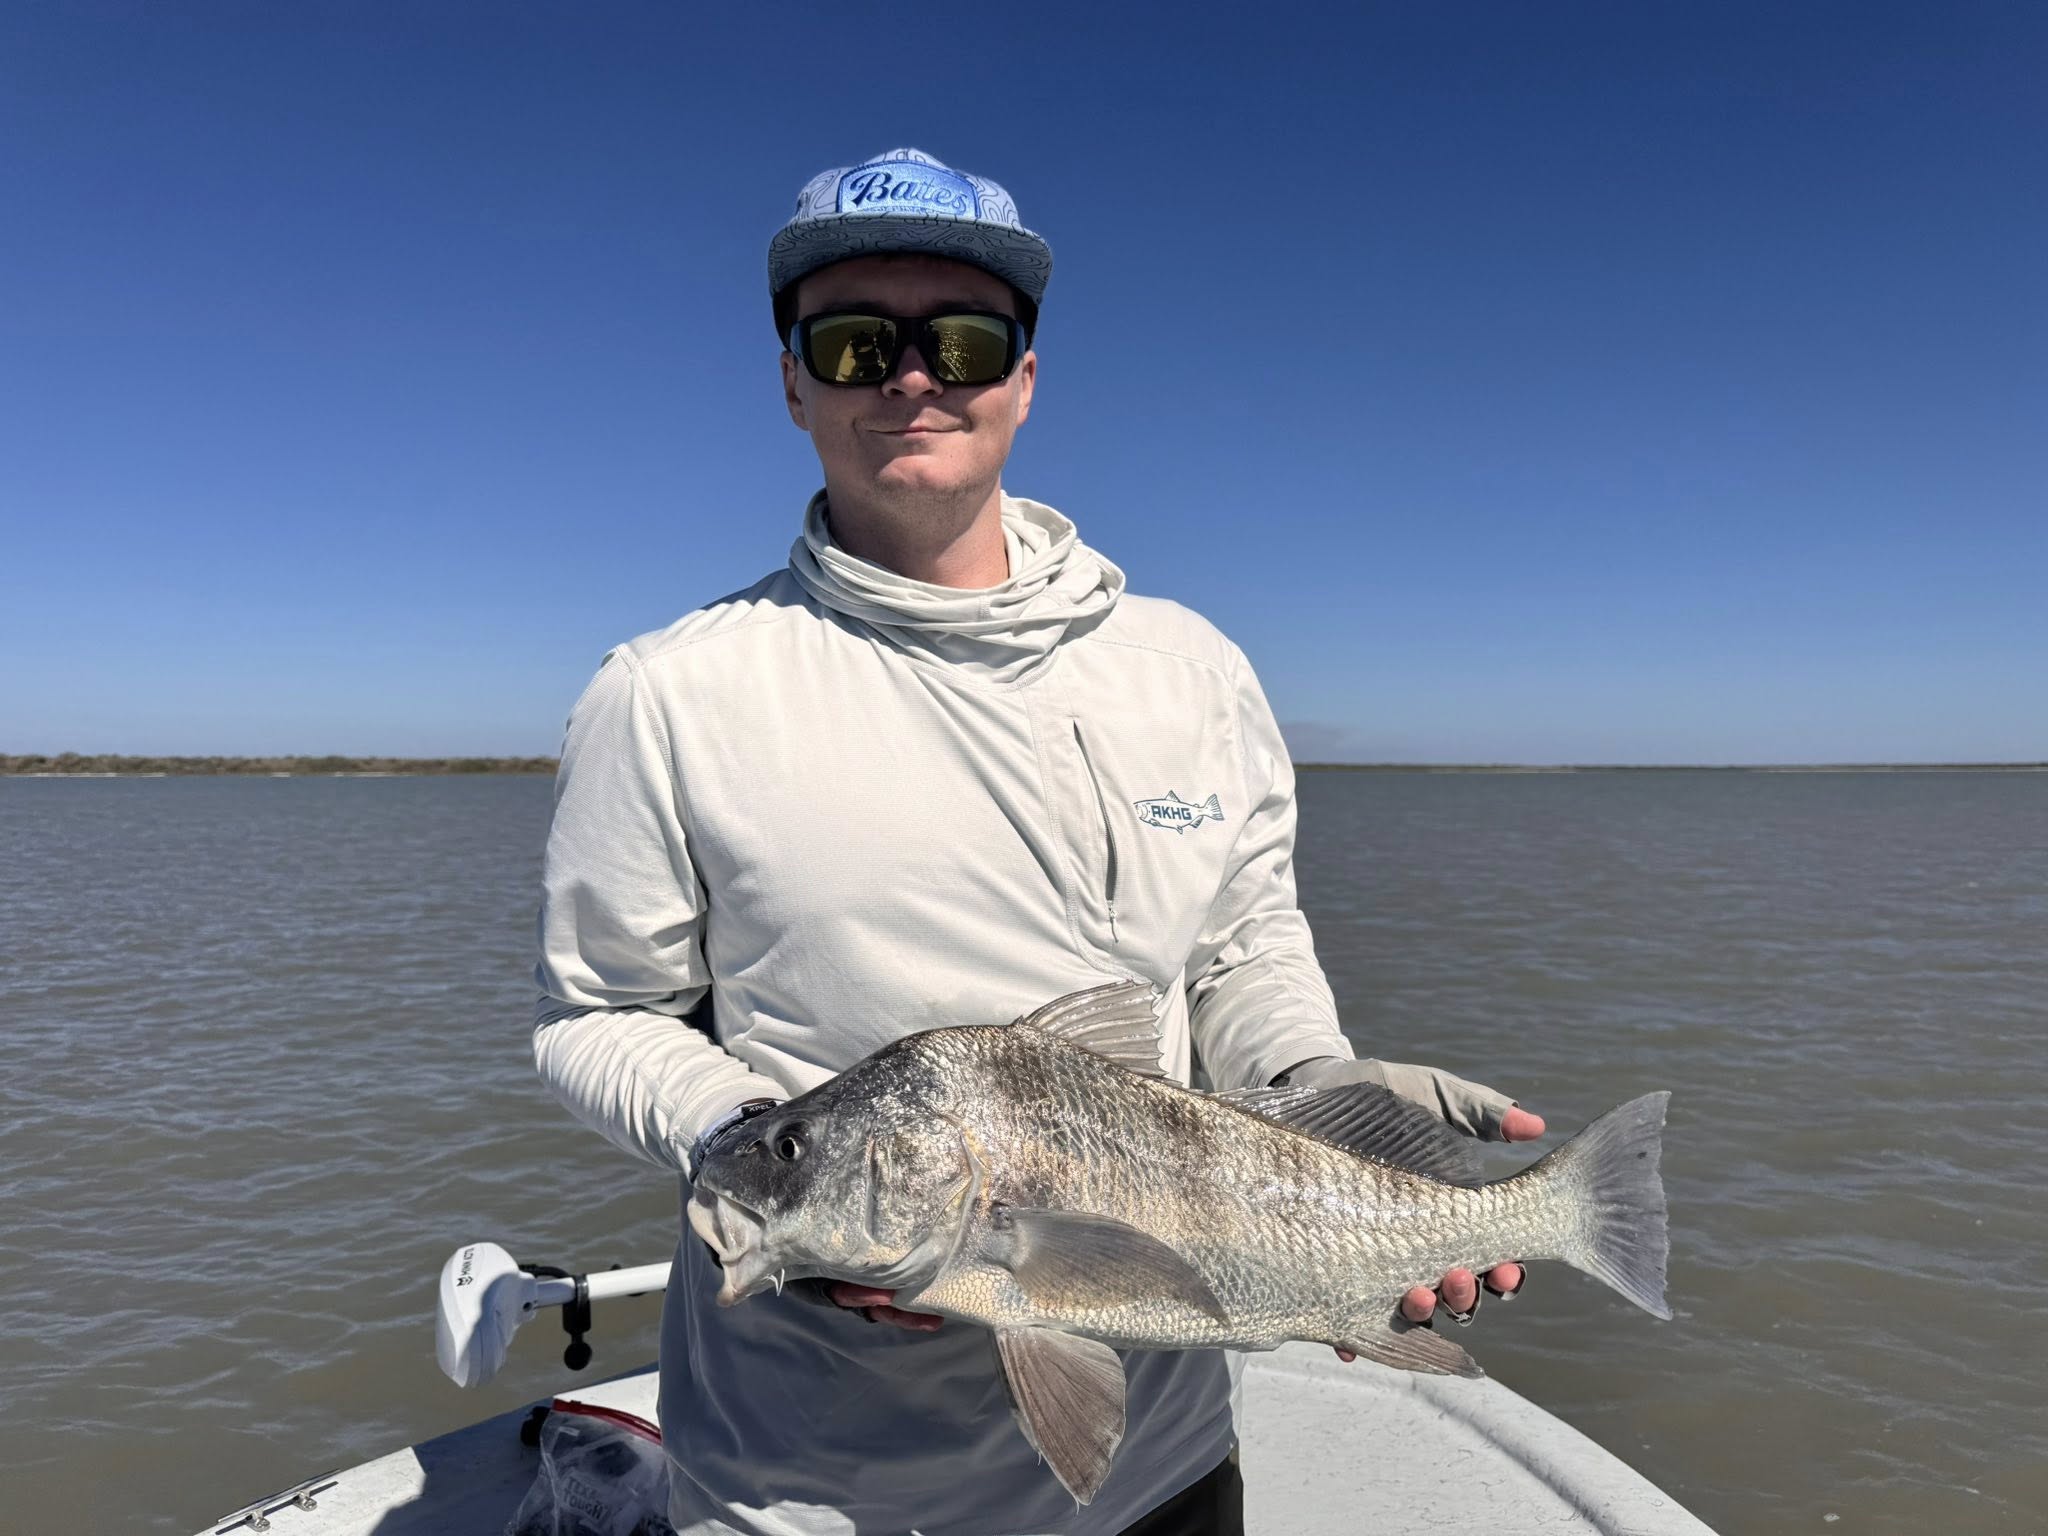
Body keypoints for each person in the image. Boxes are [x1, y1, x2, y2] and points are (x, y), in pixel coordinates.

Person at [533, 147, 1543, 1536]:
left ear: (1022, 377)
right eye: (851, 342)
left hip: (1169, 1456)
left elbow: (1242, 946)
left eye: (961, 340)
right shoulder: (667, 692)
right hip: (808, 1483)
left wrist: (1318, 1098)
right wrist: (756, 1149)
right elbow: (595, 1014)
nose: (910, 377)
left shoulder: (1191, 668)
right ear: (792, 384)